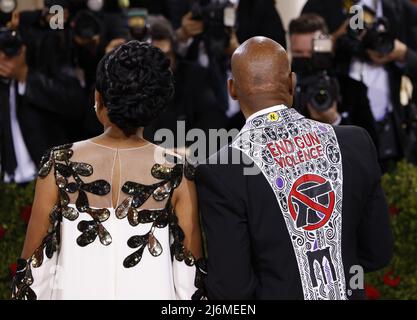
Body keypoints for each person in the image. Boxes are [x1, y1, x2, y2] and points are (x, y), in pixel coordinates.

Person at [196, 37, 393, 299]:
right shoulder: (356, 142)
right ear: (292, 82)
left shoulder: (221, 169)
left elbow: (232, 288)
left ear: (232, 88)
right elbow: (377, 252)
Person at [11, 41, 206, 300]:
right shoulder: (177, 172)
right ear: (156, 105)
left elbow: (33, 276)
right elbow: (189, 283)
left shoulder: (59, 163)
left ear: (98, 98)